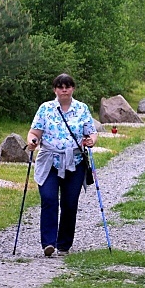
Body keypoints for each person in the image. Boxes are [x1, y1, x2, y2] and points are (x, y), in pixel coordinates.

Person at [26, 73, 97, 257]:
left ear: (73, 88)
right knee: (48, 198)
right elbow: (34, 132)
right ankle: (48, 243)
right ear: (55, 89)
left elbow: (91, 132)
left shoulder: (81, 109)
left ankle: (63, 244)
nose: (64, 89)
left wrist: (91, 141)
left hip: (75, 162)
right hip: (49, 161)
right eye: (60, 86)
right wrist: (32, 141)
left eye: (67, 86)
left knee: (70, 203)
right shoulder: (46, 109)